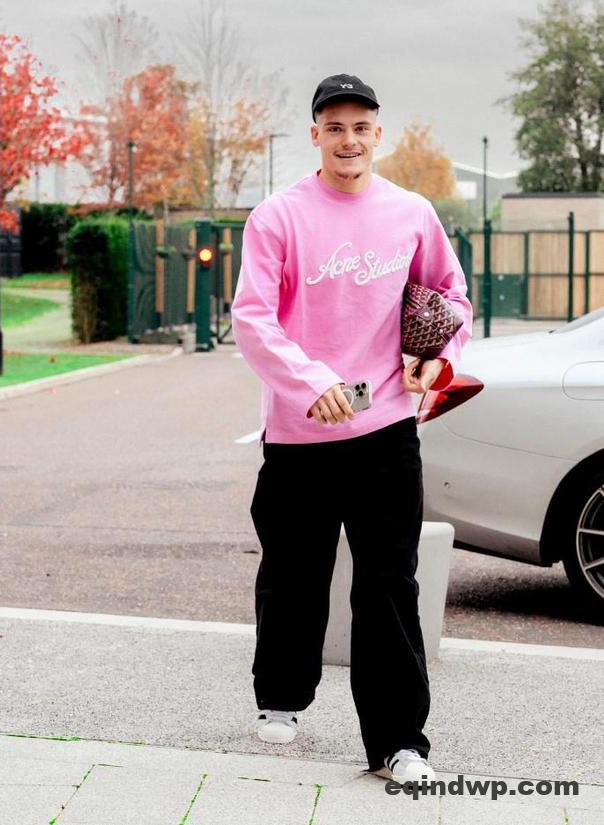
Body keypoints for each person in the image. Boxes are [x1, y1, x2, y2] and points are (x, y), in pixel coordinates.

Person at [229, 73, 473, 785]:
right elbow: (252, 318)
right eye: (334, 127)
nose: (348, 140)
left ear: (377, 134)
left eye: (360, 128)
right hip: (300, 434)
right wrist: (312, 383)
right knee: (294, 573)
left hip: (386, 430)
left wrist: (441, 360)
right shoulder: (277, 217)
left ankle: (400, 742)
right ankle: (281, 696)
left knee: (390, 584)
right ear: (316, 135)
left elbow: (451, 297)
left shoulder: (411, 213)